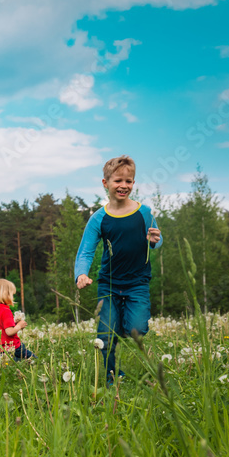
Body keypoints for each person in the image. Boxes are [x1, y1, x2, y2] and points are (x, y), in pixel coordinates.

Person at [74, 155, 162, 385]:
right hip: (109, 285)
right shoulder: (99, 218)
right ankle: (111, 376)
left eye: (129, 181)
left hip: (138, 283)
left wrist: (155, 239)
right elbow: (85, 251)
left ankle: (121, 326)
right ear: (105, 183)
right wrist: (81, 274)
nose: (124, 186)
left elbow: (156, 240)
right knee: (105, 336)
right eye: (118, 181)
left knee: (137, 329)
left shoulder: (144, 212)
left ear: (133, 183)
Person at [0, 278, 35, 360]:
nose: (12, 297)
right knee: (34, 361)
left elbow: (1, 328)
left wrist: (14, 325)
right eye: (11, 294)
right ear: (5, 294)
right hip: (13, 348)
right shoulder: (5, 310)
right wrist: (19, 326)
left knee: (7, 368)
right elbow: (9, 332)